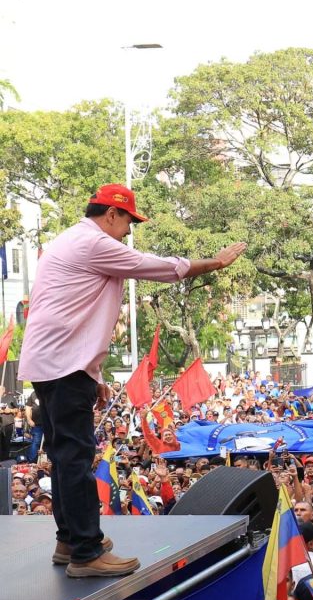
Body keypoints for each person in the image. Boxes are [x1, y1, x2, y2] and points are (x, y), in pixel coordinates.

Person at [18, 184, 246, 578]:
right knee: (74, 458)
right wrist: (214, 263)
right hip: (62, 365)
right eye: (127, 222)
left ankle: (69, 538)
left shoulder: (69, 240)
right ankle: (86, 554)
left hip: (55, 362)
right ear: (110, 214)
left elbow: (72, 316)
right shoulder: (93, 244)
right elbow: (155, 267)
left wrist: (93, 372)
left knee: (62, 455)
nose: (128, 232)